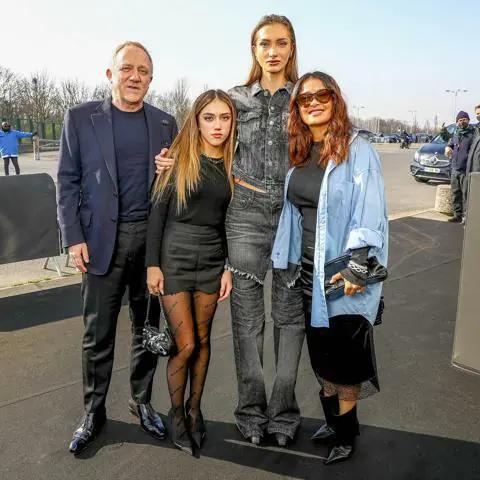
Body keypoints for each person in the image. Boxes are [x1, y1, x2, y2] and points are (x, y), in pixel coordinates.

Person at [154, 15, 305, 448]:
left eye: (281, 43)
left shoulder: (303, 96)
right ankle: (251, 411)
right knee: (247, 320)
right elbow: (204, 134)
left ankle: (284, 412)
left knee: (290, 318)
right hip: (246, 214)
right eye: (264, 44)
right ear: (253, 50)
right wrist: (169, 158)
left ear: (292, 48)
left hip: (292, 214)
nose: (272, 51)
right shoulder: (236, 99)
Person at [57, 41, 178, 455]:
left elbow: (177, 187)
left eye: (144, 71)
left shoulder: (165, 123)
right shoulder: (79, 119)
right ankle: (94, 411)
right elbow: (67, 182)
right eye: (127, 69)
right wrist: (73, 237)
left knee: (147, 330)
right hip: (99, 244)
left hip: (151, 245)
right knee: (97, 335)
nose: (135, 77)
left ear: (150, 79)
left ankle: (141, 402)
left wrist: (174, 170)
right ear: (111, 74)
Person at [272, 71, 388, 465]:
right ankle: (333, 423)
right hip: (308, 277)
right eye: (305, 99)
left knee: (346, 361)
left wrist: (358, 267)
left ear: (334, 99)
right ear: (298, 110)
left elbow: (369, 210)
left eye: (322, 95)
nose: (314, 102)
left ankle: (346, 433)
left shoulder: (358, 150)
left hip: (343, 275)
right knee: (321, 358)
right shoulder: (301, 153)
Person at [146, 89, 234, 455]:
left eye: (224, 117)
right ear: (196, 120)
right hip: (175, 259)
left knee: (203, 342)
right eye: (209, 117)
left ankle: (196, 411)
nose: (217, 125)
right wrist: (152, 264)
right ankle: (176, 414)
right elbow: (157, 215)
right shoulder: (177, 160)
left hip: (212, 262)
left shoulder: (233, 164)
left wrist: (227, 266)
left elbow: (231, 222)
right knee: (185, 345)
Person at [442, 111, 475, 223]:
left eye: (464, 119)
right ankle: (457, 215)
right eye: (460, 120)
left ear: (468, 120)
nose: (462, 122)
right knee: (455, 193)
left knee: (466, 195)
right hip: (455, 169)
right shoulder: (456, 133)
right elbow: (451, 144)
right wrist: (447, 148)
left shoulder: (473, 134)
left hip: (466, 170)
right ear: (457, 122)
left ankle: (467, 217)